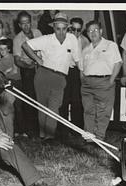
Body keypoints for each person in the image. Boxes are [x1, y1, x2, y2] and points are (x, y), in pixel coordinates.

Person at [22, 12, 80, 141]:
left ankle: (49, 137)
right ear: (53, 27)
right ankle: (43, 137)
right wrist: (37, 59)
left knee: (54, 108)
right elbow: (25, 45)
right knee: (42, 108)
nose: (61, 32)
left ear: (68, 28)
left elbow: (77, 60)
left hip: (60, 78)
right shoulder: (46, 39)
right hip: (43, 75)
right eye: (57, 28)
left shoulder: (72, 39)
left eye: (64, 28)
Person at [80, 20, 122, 141]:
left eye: (95, 30)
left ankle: (99, 138)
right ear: (87, 34)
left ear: (101, 31)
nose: (93, 33)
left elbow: (118, 63)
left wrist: (111, 80)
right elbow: (81, 69)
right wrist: (83, 82)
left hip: (104, 82)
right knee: (88, 110)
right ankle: (89, 138)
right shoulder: (85, 49)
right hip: (87, 83)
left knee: (103, 112)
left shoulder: (110, 45)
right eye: (90, 31)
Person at [59, 17, 90, 137]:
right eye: (73, 29)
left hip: (78, 73)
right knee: (63, 101)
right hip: (65, 71)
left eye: (78, 30)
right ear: (69, 28)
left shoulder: (85, 41)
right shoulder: (63, 39)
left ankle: (77, 130)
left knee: (77, 102)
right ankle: (63, 130)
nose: (76, 33)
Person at [13, 11, 42, 138]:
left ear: (31, 22)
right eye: (23, 24)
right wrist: (28, 65)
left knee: (41, 97)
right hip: (28, 71)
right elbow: (17, 60)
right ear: (19, 25)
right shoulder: (17, 39)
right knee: (30, 98)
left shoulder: (38, 33)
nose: (26, 26)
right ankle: (31, 130)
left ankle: (42, 128)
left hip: (41, 68)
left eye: (28, 23)